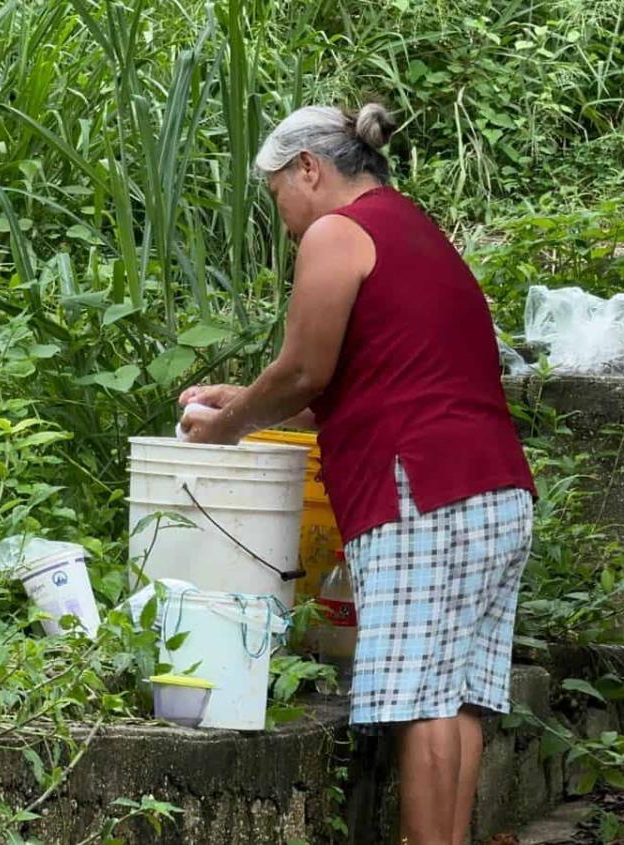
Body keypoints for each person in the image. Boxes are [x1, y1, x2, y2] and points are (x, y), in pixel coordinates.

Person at [178, 103, 536, 845]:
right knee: (459, 695)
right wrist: (243, 399)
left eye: (277, 195)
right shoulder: (412, 226)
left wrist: (225, 425)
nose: (282, 220)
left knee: (421, 699)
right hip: (494, 489)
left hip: (421, 492)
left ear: (308, 168)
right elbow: (356, 384)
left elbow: (306, 370)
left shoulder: (337, 231)